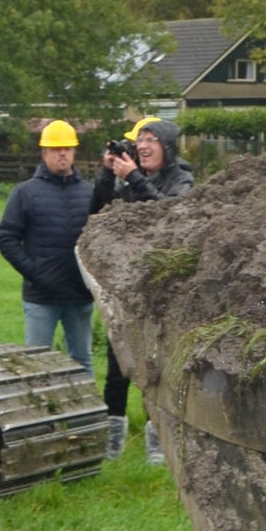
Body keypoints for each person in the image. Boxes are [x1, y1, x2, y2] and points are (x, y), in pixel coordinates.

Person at [92, 116, 195, 462]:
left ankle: (158, 442)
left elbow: (170, 218)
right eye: (140, 139)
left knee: (157, 367)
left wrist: (134, 178)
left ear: (166, 146)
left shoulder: (183, 180)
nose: (143, 145)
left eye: (151, 138)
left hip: (162, 292)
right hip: (125, 286)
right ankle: (112, 440)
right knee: (117, 365)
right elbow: (97, 213)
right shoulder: (130, 181)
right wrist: (108, 175)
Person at [0, 119, 95, 371]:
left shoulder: (90, 193)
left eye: (67, 148)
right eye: (55, 149)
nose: (62, 153)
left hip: (80, 295)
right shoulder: (25, 192)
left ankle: (88, 411)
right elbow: (6, 238)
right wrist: (35, 273)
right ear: (44, 154)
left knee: (82, 360)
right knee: (36, 363)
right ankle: (39, 411)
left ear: (74, 152)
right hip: (41, 297)